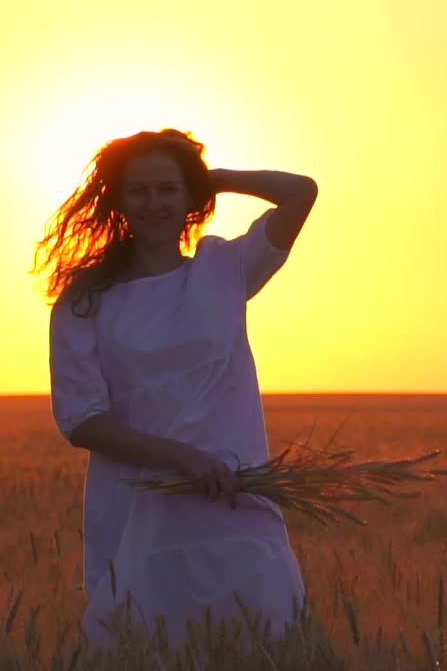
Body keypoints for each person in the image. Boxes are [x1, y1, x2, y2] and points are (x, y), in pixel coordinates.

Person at [32, 128, 319, 649]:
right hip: (140, 509)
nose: (154, 202)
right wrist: (182, 459)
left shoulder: (225, 269)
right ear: (118, 199)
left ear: (189, 197)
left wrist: (216, 180)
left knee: (263, 646)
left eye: (168, 188)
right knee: (144, 648)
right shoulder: (85, 300)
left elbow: (301, 191)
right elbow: (81, 420)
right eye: (138, 190)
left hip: (235, 501)